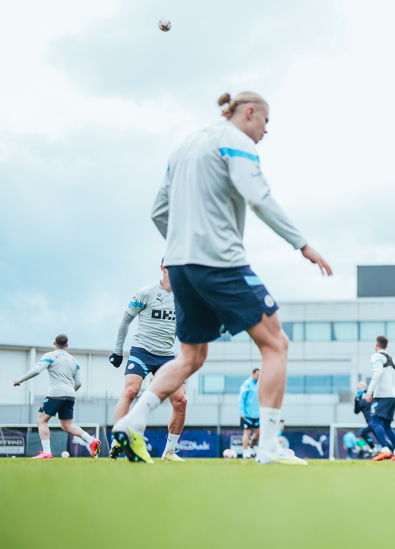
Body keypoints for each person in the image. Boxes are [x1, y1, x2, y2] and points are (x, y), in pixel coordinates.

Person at [113, 91, 331, 465]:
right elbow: (259, 196)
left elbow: (157, 212)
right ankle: (269, 447)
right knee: (276, 344)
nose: (265, 131)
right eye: (265, 122)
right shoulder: (236, 142)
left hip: (180, 265)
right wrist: (302, 244)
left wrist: (184, 245)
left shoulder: (183, 146)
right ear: (249, 112)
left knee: (191, 357)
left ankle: (133, 420)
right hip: (220, 262)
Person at [108, 260, 187, 462]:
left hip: (167, 357)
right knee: (130, 392)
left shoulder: (184, 296)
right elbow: (126, 320)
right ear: (163, 268)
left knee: (181, 401)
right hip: (142, 351)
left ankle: (169, 452)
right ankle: (118, 440)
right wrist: (118, 351)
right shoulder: (146, 292)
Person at [13, 335, 99, 459]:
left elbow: (37, 370)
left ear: (54, 343)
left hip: (56, 394)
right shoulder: (74, 360)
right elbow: (79, 383)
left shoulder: (50, 356)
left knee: (41, 421)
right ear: (67, 345)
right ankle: (92, 441)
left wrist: (19, 379)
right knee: (67, 426)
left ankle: (47, 452)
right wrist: (69, 391)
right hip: (70, 395)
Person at [365, 336, 395, 462]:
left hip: (383, 395)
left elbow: (378, 373)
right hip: (393, 395)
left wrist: (369, 390)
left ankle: (385, 450)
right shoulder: (394, 360)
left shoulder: (376, 356)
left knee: (375, 422)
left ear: (377, 344)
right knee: (387, 426)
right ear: (386, 346)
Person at [239, 369, 260, 459]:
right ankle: (245, 452)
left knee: (258, 433)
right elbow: (241, 398)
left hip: (257, 414)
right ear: (253, 374)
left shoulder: (260, 385)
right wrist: (241, 412)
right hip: (247, 414)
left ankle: (251, 449)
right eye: (257, 375)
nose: (258, 377)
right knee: (247, 432)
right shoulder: (247, 383)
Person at [353, 381, 377, 455]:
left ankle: (373, 448)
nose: (358, 387)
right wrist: (356, 402)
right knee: (379, 438)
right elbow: (356, 411)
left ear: (365, 387)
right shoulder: (358, 398)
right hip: (369, 421)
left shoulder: (371, 394)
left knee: (363, 432)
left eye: (360, 386)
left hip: (374, 420)